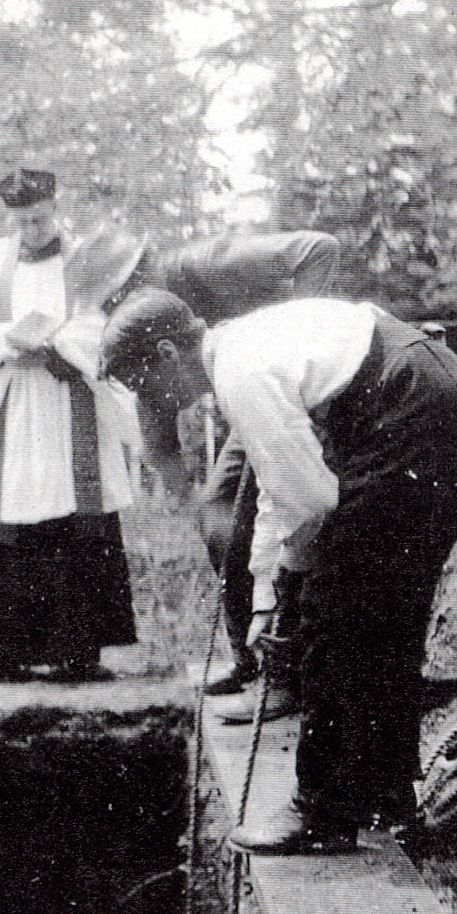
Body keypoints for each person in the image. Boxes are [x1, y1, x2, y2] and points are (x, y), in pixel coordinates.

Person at [102, 290, 457, 853]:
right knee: (380, 608)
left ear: (167, 353)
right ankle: (385, 797)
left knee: (334, 608)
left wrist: (285, 584)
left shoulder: (239, 371)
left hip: (421, 413)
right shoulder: (240, 346)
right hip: (444, 404)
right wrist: (267, 590)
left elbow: (309, 502)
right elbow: (279, 487)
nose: (153, 402)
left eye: (143, 386)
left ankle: (323, 814)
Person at [116, 229, 340, 718]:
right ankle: (252, 660)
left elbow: (317, 249)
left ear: (141, 273)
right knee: (219, 517)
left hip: (284, 385)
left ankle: (287, 673)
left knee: (290, 512)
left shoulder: (199, 266)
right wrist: (186, 501)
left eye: (118, 295)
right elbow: (157, 434)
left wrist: (293, 332)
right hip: (248, 397)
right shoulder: (143, 332)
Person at [0, 169, 140, 683]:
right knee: (5, 519)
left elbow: (103, 324)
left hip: (71, 402)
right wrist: (8, 340)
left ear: (55, 208)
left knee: (76, 515)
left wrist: (70, 350)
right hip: (9, 403)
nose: (31, 231)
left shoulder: (83, 257)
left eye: (40, 220)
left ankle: (78, 651)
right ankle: (1, 654)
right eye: (21, 222)